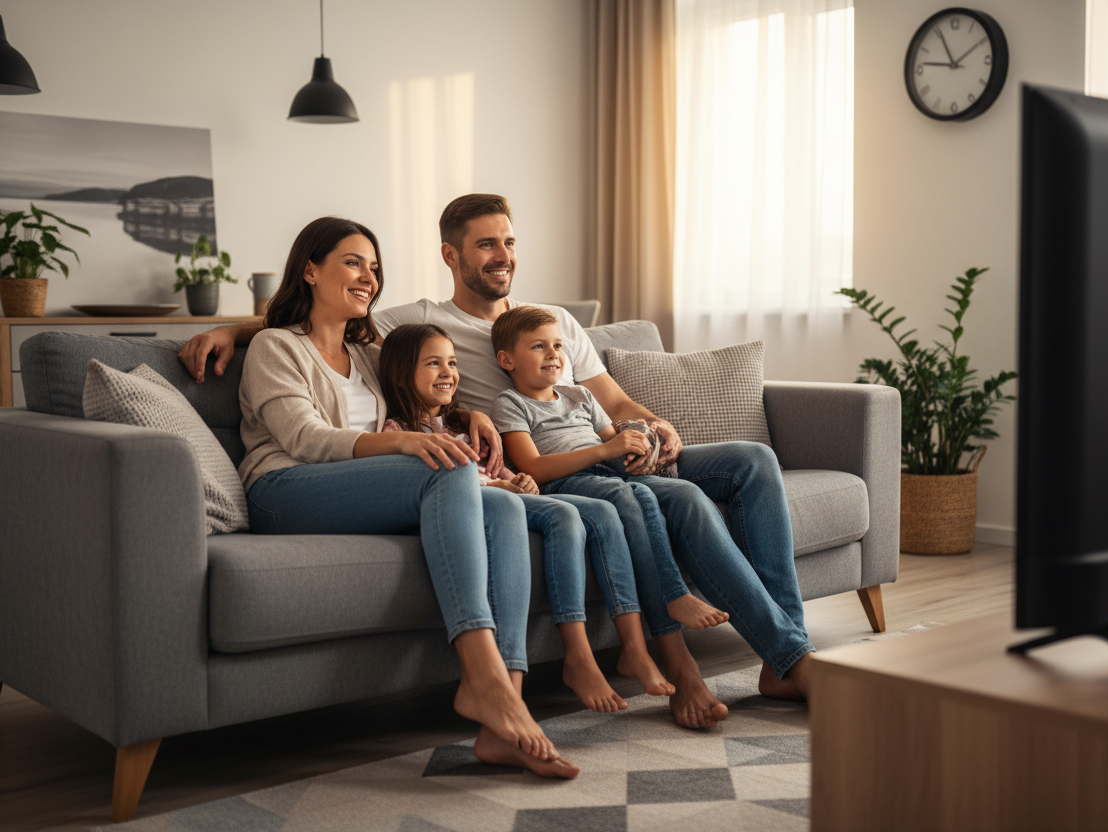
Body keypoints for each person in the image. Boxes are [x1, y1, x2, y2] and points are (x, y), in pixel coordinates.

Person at [179, 194, 816, 728]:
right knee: (642, 500)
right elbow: (308, 346)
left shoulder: (533, 324)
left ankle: (785, 656)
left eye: (508, 243)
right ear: (451, 256)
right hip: (546, 466)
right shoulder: (413, 323)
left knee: (753, 460)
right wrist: (231, 330)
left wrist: (651, 423)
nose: (502, 256)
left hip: (599, 448)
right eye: (486, 245)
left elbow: (611, 399)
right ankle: (756, 660)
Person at [236, 216, 577, 778]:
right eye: (353, 262)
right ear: (310, 269)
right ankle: (483, 679)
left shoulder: (368, 352)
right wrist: (409, 442)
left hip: (357, 493)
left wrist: (470, 412)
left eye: (374, 267)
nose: (369, 276)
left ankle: (504, 712)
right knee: (443, 467)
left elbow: (420, 395)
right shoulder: (276, 347)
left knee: (504, 504)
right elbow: (306, 439)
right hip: (284, 492)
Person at [377, 322, 675, 713]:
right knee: (567, 515)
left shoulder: (464, 425)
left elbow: (497, 468)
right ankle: (579, 657)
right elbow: (426, 484)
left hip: (505, 495)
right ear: (401, 375)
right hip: (467, 504)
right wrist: (501, 488)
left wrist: (516, 479)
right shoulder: (397, 431)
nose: (449, 372)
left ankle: (608, 649)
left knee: (593, 513)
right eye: (434, 364)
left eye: (452, 362)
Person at [488, 304, 731, 651]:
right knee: (624, 495)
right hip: (566, 481)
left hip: (607, 473)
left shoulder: (580, 394)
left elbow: (609, 436)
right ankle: (672, 593)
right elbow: (535, 468)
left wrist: (636, 444)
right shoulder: (510, 404)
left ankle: (675, 596)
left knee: (646, 495)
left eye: (558, 345)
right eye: (538, 346)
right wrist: (606, 451)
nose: (553, 354)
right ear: (506, 359)